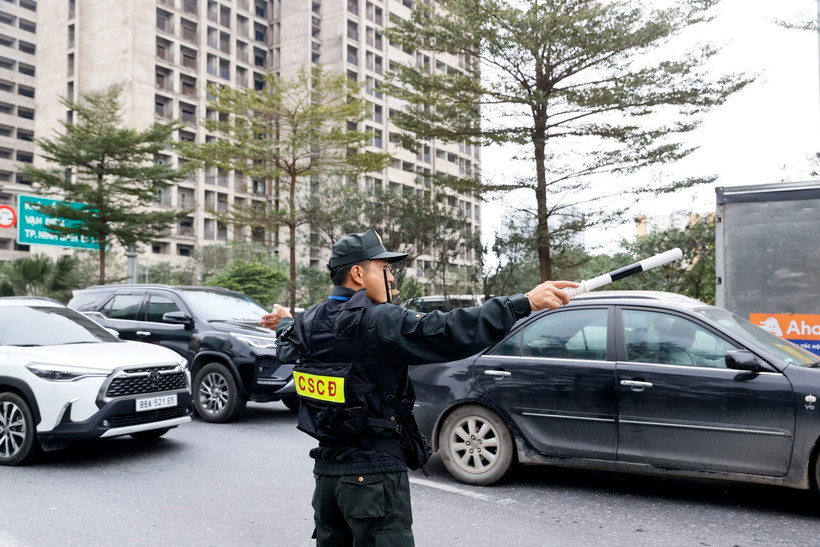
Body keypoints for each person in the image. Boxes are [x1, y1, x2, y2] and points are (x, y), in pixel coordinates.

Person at [260, 228, 578, 546]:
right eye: (384, 269)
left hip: (327, 481)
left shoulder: (309, 320)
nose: (391, 279)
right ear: (358, 273)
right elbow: (445, 330)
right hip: (373, 480)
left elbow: (288, 345)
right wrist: (521, 304)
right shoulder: (377, 319)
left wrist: (286, 321)